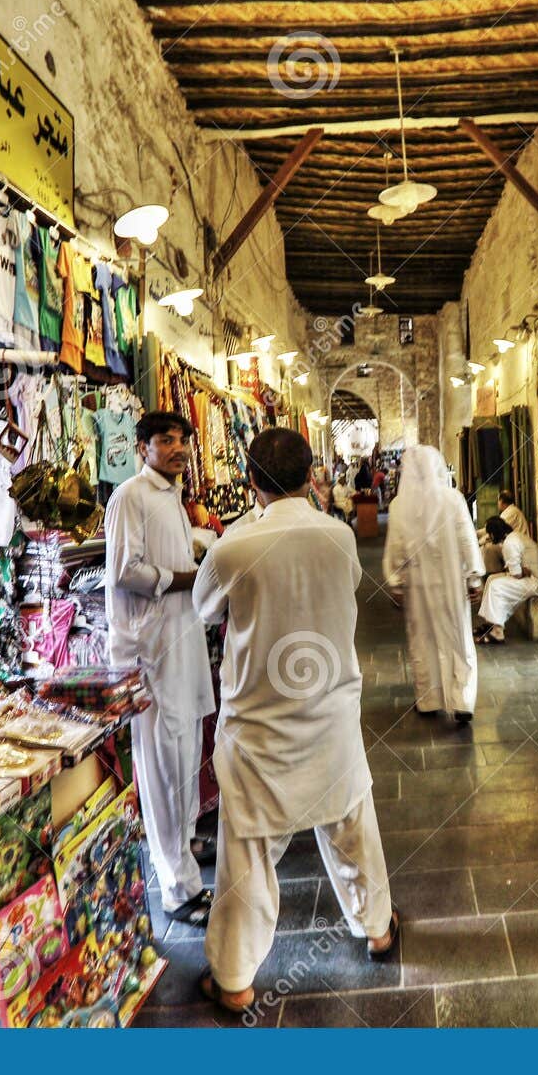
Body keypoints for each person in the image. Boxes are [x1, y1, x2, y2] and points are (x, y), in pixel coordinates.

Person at [192, 427, 398, 1013]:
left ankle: (235, 980)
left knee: (248, 852)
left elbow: (205, 609)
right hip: (330, 712)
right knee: (353, 827)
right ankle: (377, 929)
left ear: (252, 481)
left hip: (260, 725)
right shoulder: (339, 537)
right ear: (312, 477)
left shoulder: (232, 548)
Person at [104, 411, 218, 929]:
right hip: (152, 651)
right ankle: (176, 888)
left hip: (183, 644)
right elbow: (125, 572)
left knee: (187, 755)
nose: (177, 448)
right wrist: (187, 577)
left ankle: (186, 858)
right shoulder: (131, 495)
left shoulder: (170, 496)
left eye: (182, 441)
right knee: (163, 767)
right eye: (165, 440)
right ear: (142, 446)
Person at [384, 445, 484, 723]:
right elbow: (466, 538)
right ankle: (462, 699)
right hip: (451, 583)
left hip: (419, 586)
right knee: (458, 638)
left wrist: (397, 583)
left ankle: (428, 700)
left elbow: (396, 548)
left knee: (422, 639)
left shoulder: (398, 506)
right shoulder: (453, 499)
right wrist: (473, 576)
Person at [475, 516, 538, 644]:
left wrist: (522, 571)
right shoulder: (513, 536)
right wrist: (523, 570)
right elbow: (518, 571)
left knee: (496, 586)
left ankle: (497, 632)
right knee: (491, 579)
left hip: (536, 581)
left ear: (493, 533)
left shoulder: (509, 543)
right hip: (531, 577)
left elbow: (516, 574)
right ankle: (490, 623)